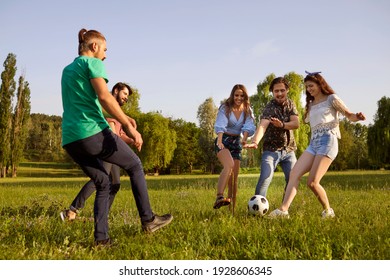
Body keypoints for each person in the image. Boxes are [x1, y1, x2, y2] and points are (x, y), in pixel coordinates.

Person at [61, 28, 172, 245]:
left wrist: (125, 117)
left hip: (71, 138)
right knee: (135, 165)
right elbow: (104, 97)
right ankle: (148, 219)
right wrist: (129, 128)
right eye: (104, 49)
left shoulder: (68, 69)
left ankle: (101, 240)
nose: (105, 54)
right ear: (94, 47)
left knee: (103, 182)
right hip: (92, 132)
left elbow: (85, 105)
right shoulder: (93, 63)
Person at [269, 71, 366, 219]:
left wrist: (357, 118)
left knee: (312, 182)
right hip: (313, 143)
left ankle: (328, 211)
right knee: (294, 173)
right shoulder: (310, 104)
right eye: (307, 87)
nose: (309, 89)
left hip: (328, 140)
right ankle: (283, 210)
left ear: (320, 84)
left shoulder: (331, 99)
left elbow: (349, 115)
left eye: (311, 86)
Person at [60, 82, 135, 221]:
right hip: (107, 150)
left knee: (115, 184)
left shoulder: (117, 111)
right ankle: (71, 211)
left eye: (127, 96)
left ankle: (102, 214)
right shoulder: (110, 108)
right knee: (100, 180)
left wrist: (133, 138)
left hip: (113, 150)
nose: (126, 98)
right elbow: (114, 136)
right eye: (124, 94)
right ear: (116, 90)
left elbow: (120, 135)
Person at [244, 77, 299, 199]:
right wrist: (254, 141)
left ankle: (284, 208)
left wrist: (282, 125)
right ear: (272, 92)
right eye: (276, 91)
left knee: (293, 179)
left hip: (289, 150)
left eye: (282, 90)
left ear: (287, 90)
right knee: (265, 178)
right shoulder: (270, 107)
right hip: (271, 150)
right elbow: (263, 126)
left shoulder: (291, 104)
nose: (279, 94)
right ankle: (257, 208)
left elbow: (296, 124)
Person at [213, 84, 256, 212]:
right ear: (232, 95)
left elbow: (248, 126)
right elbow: (220, 124)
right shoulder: (225, 107)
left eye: (241, 95)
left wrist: (244, 139)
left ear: (245, 96)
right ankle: (219, 197)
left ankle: (232, 210)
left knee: (234, 179)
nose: (239, 98)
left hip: (236, 141)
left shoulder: (247, 109)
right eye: (236, 95)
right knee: (229, 165)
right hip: (224, 140)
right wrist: (219, 141)